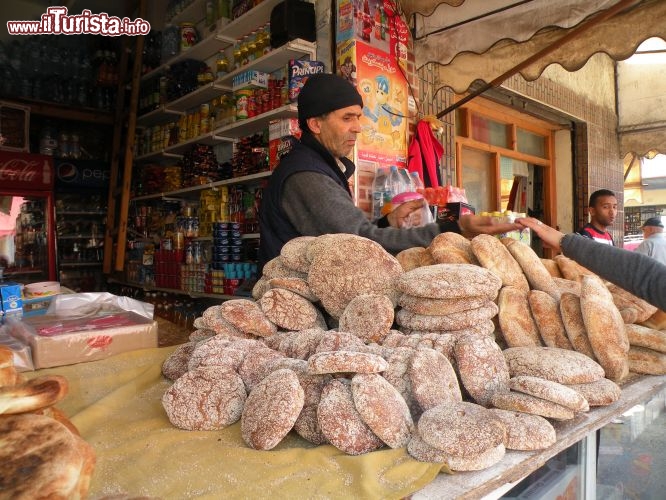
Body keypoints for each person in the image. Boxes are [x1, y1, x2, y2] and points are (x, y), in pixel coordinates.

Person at [258, 73, 520, 266]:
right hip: (291, 309)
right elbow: (360, 244)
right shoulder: (306, 177)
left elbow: (349, 234)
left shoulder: (321, 166)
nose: (358, 127)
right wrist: (452, 229)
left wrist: (387, 221)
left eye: (359, 117)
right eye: (347, 118)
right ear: (315, 124)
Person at [518, 217, 666, 310]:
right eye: (606, 206)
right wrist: (567, 242)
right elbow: (645, 276)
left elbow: (644, 276)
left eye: (614, 206)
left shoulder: (609, 235)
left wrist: (566, 242)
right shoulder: (586, 231)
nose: (612, 212)